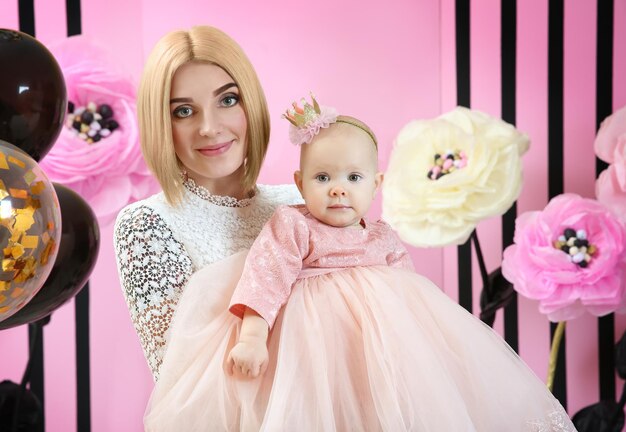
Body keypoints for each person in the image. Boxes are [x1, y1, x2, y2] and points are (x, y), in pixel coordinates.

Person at [223, 95, 576, 431]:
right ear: (300, 184)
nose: (338, 189)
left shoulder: (382, 237)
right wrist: (253, 337)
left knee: (379, 408)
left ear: (376, 185)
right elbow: (267, 275)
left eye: (354, 178)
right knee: (322, 408)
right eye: (323, 178)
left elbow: (410, 297)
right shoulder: (293, 224)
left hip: (375, 350)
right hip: (313, 344)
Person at [113, 26, 302, 429]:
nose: (209, 128)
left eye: (228, 100)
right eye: (183, 110)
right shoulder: (147, 225)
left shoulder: (301, 205)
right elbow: (182, 385)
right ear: (161, 124)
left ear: (250, 103)